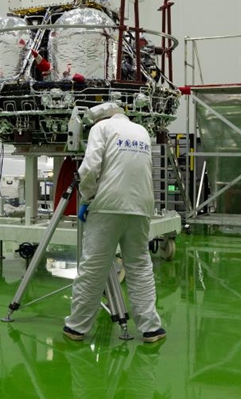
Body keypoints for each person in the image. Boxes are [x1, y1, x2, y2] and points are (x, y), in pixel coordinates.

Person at [64, 103, 166, 343]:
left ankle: (76, 327)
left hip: (108, 206)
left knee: (93, 268)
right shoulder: (142, 132)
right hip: (142, 206)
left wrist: (87, 198)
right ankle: (151, 328)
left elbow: (89, 169)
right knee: (140, 265)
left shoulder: (102, 128)